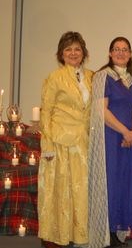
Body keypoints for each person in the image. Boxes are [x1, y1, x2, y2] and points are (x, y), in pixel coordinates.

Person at [38, 31, 93, 248]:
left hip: (84, 142)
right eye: (68, 49)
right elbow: (46, 112)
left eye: (77, 49)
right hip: (60, 142)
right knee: (59, 191)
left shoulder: (91, 76)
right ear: (61, 53)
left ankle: (78, 235)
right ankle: (55, 236)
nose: (73, 53)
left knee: (80, 192)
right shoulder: (54, 77)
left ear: (84, 52)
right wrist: (48, 145)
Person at [88, 37, 132, 248]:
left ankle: (119, 228)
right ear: (110, 53)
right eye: (116, 49)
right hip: (109, 138)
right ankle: (106, 233)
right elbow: (101, 111)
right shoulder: (103, 76)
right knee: (109, 183)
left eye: (125, 49)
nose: (121, 53)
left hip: (129, 140)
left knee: (124, 183)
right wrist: (125, 131)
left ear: (130, 54)